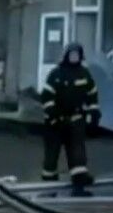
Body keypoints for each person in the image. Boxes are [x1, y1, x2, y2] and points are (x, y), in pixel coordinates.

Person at [40, 43, 100, 196]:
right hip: (56, 121)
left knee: (77, 149)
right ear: (66, 55)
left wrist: (94, 114)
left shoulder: (84, 74)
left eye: (77, 54)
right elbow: (46, 97)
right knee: (52, 153)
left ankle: (79, 176)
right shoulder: (56, 74)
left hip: (76, 119)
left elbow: (92, 95)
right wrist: (53, 116)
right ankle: (48, 181)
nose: (74, 57)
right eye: (72, 54)